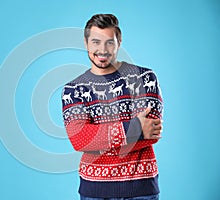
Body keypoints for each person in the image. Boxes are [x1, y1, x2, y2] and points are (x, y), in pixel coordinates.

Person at [61, 14, 164, 200]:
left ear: (119, 41)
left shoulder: (145, 78)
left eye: (109, 42)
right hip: (95, 192)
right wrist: (136, 128)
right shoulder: (73, 89)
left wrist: (98, 139)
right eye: (95, 42)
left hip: (142, 190)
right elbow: (80, 140)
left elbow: (152, 133)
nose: (102, 49)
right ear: (86, 43)